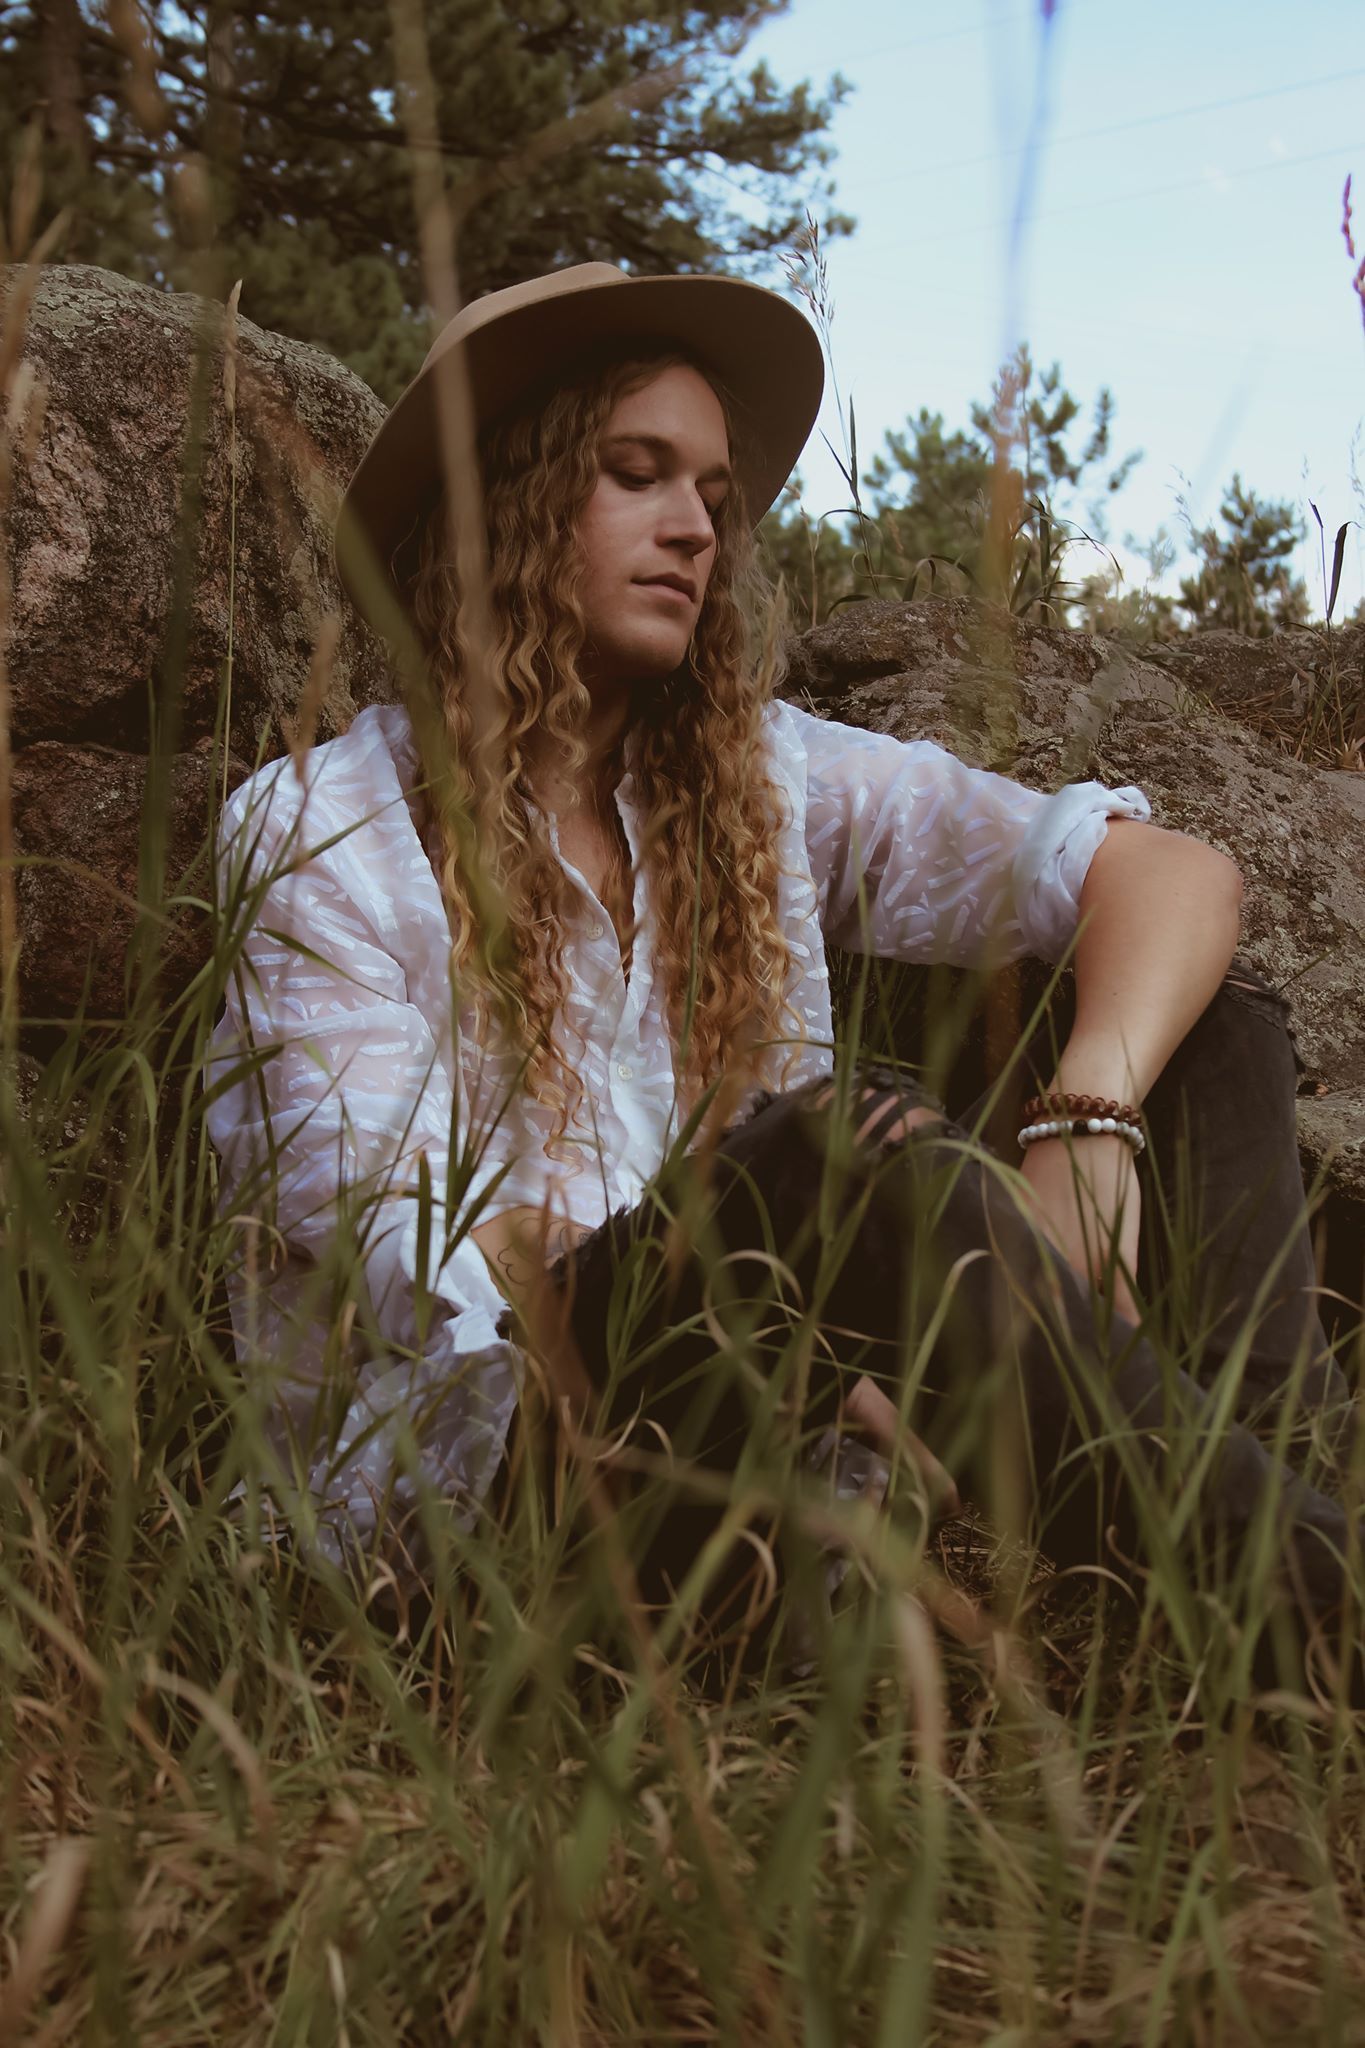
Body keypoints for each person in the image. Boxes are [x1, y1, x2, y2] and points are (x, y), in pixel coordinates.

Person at [206, 264, 1354, 1677]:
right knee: (843, 1152)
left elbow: (1166, 875)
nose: (696, 525)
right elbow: (427, 1257)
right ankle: (1309, 1602)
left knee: (1210, 1034)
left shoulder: (755, 777)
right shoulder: (319, 826)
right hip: (480, 1491)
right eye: (637, 475)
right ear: (500, 496)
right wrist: (840, 1301)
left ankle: (1274, 1572)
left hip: (779, 1431)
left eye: (712, 492)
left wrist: (1087, 1112)